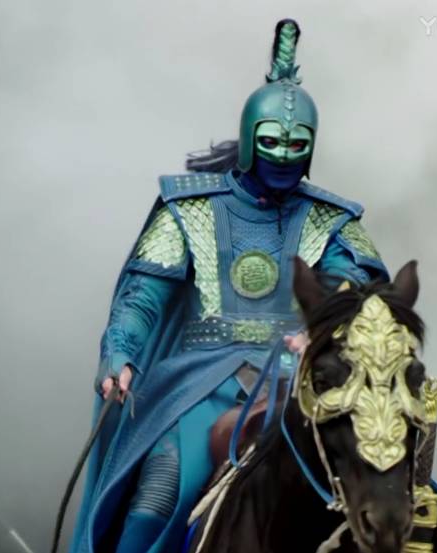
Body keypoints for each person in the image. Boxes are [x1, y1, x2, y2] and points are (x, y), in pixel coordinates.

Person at [71, 19, 388, 553]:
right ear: (248, 138)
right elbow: (143, 296)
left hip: (301, 382)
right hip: (202, 380)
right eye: (271, 141)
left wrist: (323, 326)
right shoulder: (191, 207)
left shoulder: (331, 219)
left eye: (296, 143)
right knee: (160, 493)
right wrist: (120, 354)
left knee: (392, 488)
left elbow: (357, 285)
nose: (283, 153)